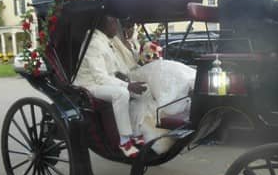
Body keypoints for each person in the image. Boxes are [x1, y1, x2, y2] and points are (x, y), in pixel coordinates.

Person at [111, 20, 196, 154]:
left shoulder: (133, 42)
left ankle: (189, 83)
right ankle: (177, 94)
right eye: (129, 27)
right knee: (160, 68)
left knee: (166, 66)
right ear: (122, 29)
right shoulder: (115, 44)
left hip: (141, 69)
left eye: (133, 27)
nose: (132, 30)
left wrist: (147, 59)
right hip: (131, 74)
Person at [74, 16, 147, 158]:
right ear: (103, 25)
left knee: (143, 92)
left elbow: (113, 68)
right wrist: (128, 85)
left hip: (103, 81)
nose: (117, 27)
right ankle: (124, 140)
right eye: (113, 23)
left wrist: (128, 77)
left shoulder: (105, 40)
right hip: (89, 85)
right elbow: (100, 77)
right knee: (122, 94)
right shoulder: (94, 43)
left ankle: (135, 132)